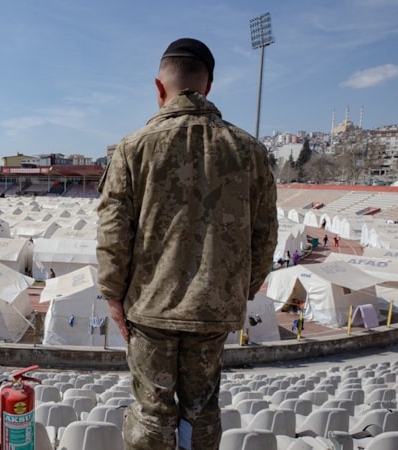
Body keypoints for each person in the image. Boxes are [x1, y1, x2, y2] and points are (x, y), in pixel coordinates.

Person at [96, 38, 277, 450]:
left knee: (152, 415)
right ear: (207, 87)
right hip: (213, 308)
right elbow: (265, 234)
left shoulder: (133, 147)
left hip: (150, 307)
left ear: (160, 89)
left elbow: (113, 233)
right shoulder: (250, 151)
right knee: (202, 411)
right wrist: (240, 289)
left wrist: (112, 296)